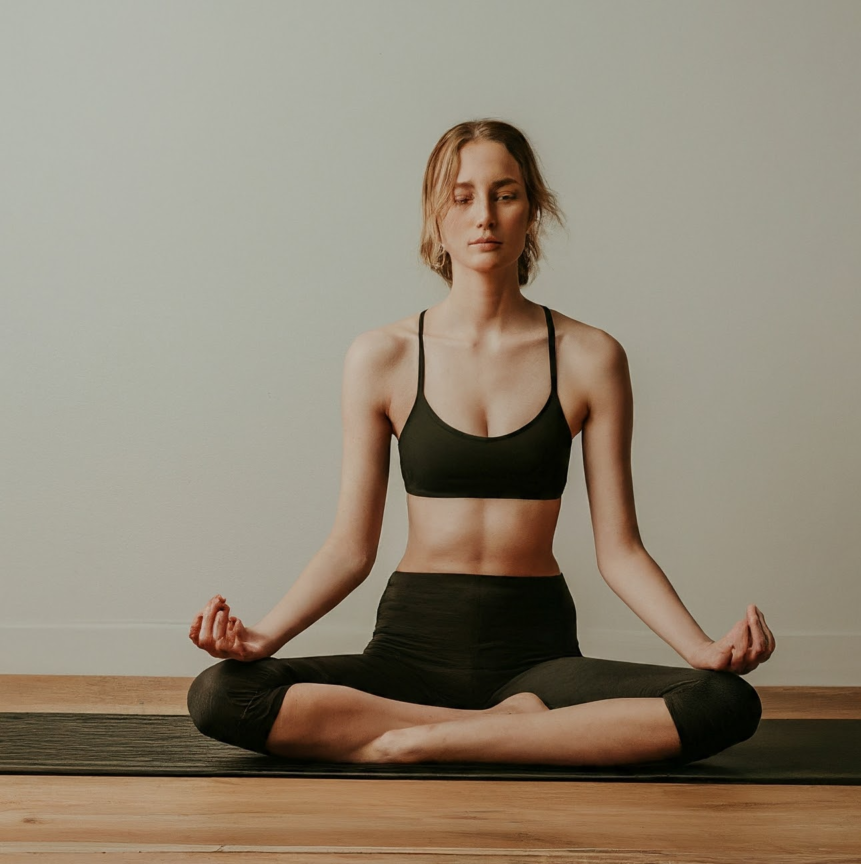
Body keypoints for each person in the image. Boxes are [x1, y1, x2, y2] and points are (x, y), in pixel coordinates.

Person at [186, 119, 775, 766]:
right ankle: (511, 732)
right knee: (221, 695)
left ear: (535, 210)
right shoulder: (382, 357)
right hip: (410, 651)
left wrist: (699, 651)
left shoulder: (590, 358)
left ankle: (420, 740)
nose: (484, 216)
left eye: (505, 193)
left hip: (537, 658)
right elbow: (350, 549)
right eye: (462, 197)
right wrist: (262, 636)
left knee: (725, 702)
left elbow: (621, 550)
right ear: (436, 217)